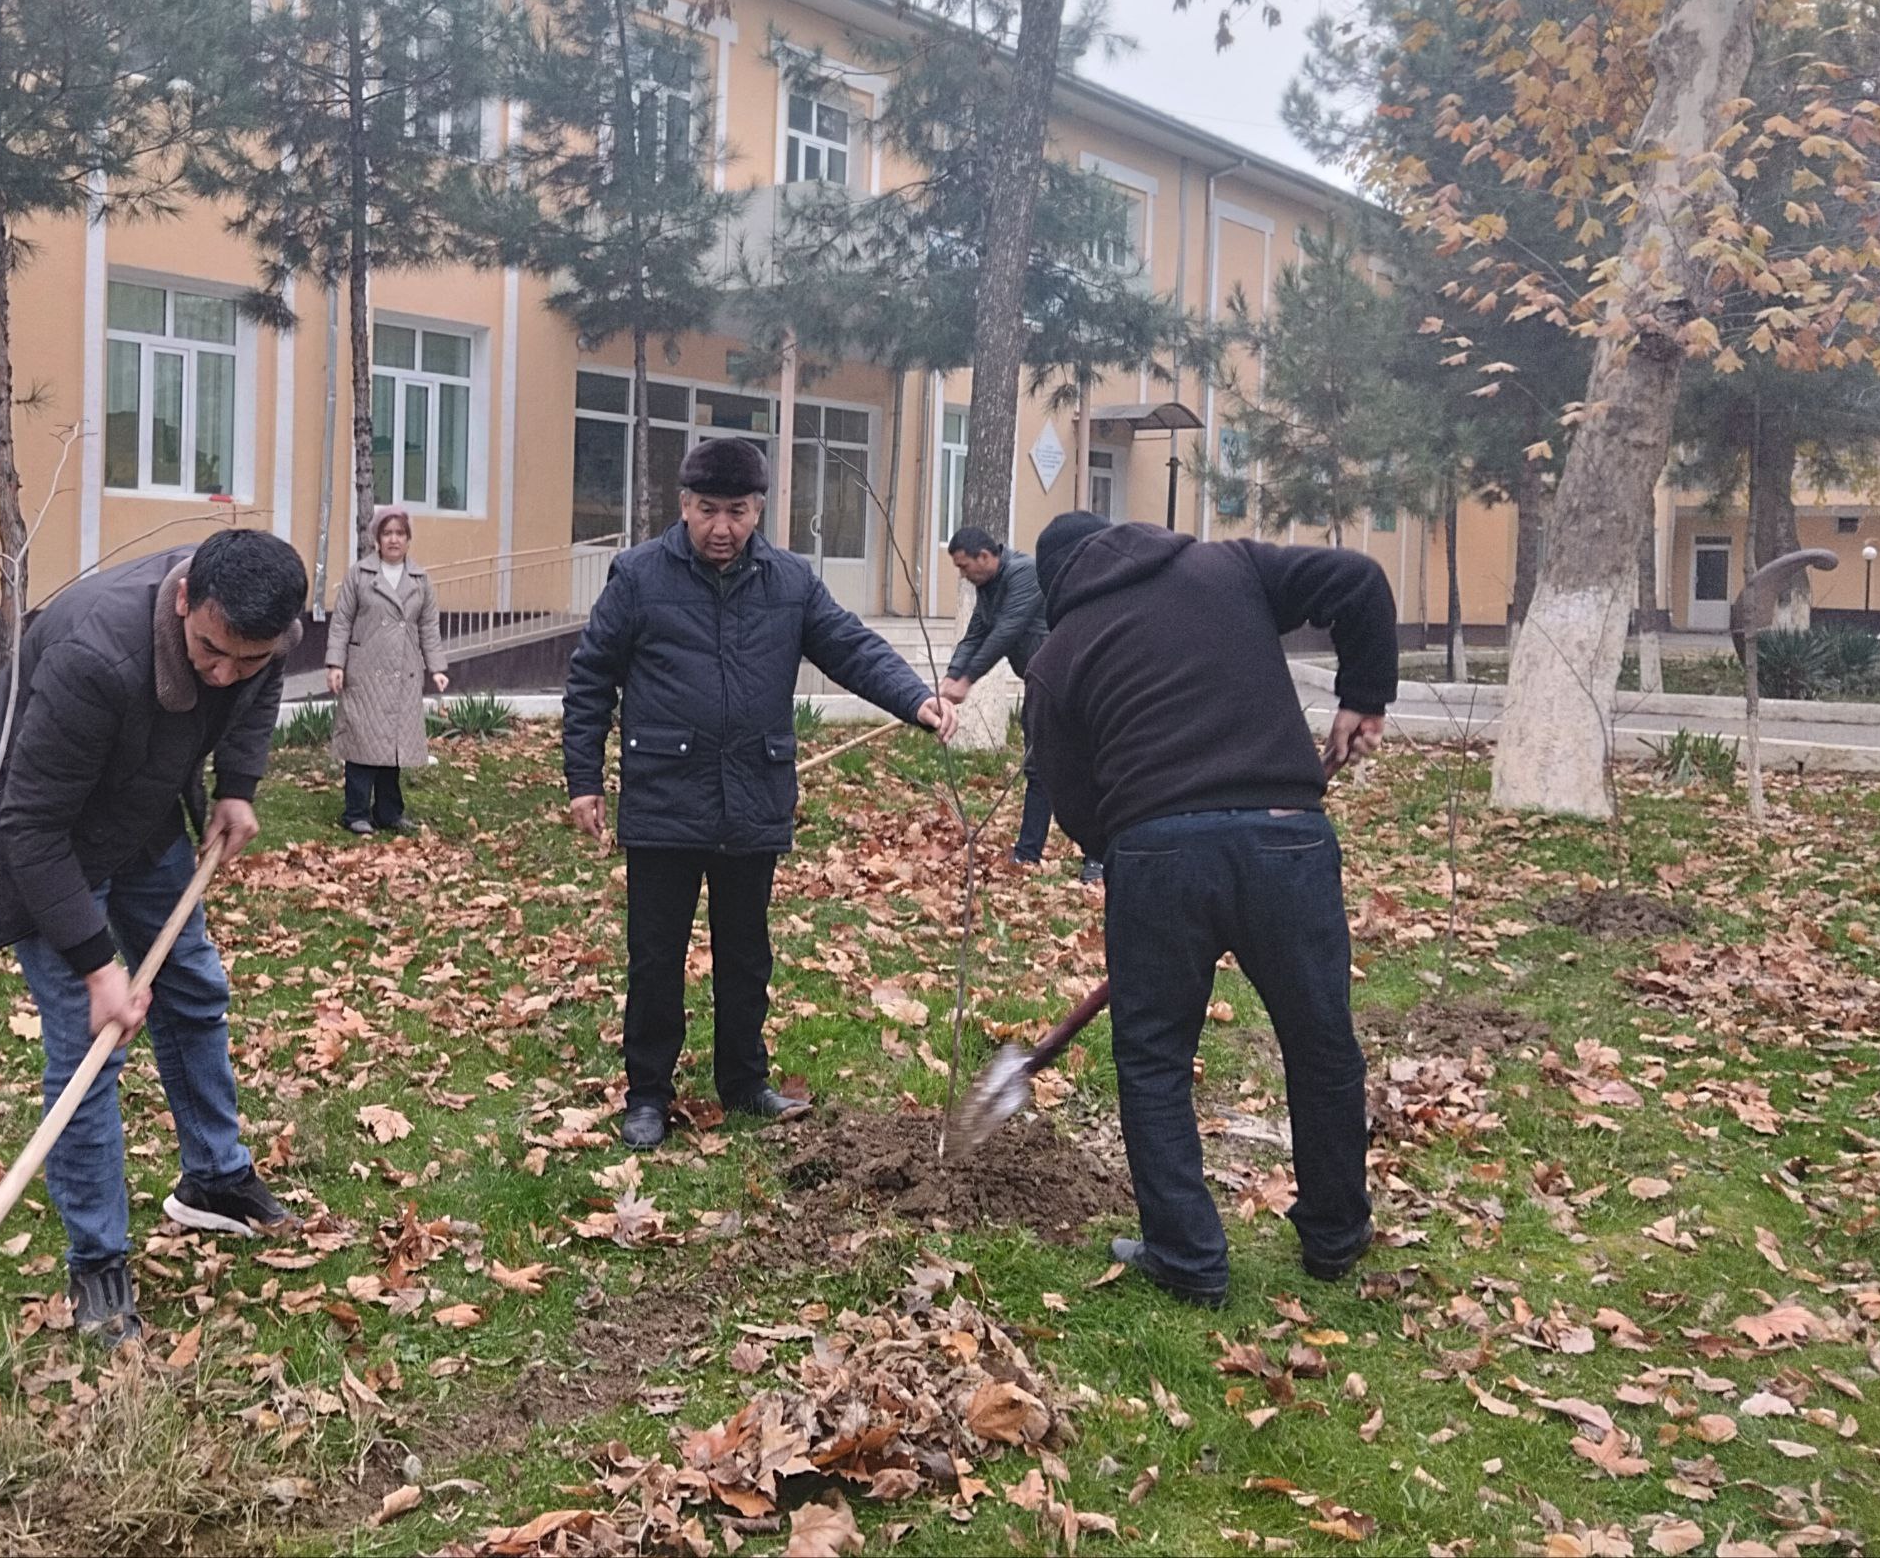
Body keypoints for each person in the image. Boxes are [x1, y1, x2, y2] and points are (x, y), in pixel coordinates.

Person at [1022, 509, 1393, 1308]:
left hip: (1158, 856)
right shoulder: (1228, 567)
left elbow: (1077, 805)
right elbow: (1358, 580)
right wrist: (1364, 696)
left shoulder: (1056, 656)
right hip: (1288, 839)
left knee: (1154, 1061)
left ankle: (1187, 1258)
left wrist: (1139, 847)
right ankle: (1335, 1237)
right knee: (1321, 1043)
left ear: (1055, 585)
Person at [0, 526, 312, 1346]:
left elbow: (254, 694)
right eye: (211, 652)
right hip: (37, 845)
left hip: (143, 811)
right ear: (185, 597)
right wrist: (94, 969)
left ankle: (214, 1179)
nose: (225, 672)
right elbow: (28, 825)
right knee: (92, 1052)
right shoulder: (97, 655)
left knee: (192, 988)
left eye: (248, 657)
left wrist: (238, 787)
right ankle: (97, 1259)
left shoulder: (259, 633)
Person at [563, 436, 960, 1151]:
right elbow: (591, 677)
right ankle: (648, 1094)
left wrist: (916, 700)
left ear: (759, 510)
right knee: (656, 956)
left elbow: (850, 646)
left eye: (738, 511)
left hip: (753, 796)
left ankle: (744, 1082)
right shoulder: (639, 576)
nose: (723, 527)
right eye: (708, 510)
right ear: (684, 506)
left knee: (746, 954)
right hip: (664, 799)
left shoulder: (791, 582)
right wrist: (583, 780)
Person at [935, 526, 1058, 868]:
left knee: (1082, 765)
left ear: (985, 557)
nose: (962, 574)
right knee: (1038, 767)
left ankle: (1097, 859)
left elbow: (1006, 631)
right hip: (1039, 686)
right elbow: (977, 632)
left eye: (963, 567)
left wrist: (968, 679)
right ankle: (1028, 854)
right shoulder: (988, 585)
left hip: (1067, 685)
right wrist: (951, 675)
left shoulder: (1025, 574)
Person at [325, 509, 450, 836]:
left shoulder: (421, 581)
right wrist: (335, 664)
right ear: (377, 539)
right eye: (387, 533)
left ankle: (389, 813)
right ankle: (355, 813)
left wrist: (436, 668)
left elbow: (429, 627)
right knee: (362, 746)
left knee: (392, 751)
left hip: (403, 675)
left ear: (408, 539)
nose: (394, 539)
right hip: (365, 674)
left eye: (400, 533)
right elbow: (341, 622)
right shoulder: (360, 575)